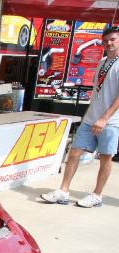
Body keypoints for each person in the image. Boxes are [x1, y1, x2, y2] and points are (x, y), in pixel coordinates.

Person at [42, 26, 119, 208]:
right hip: (90, 118)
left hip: (110, 122)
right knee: (75, 152)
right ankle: (63, 191)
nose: (109, 43)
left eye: (113, 39)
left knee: (105, 158)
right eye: (106, 40)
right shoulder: (102, 62)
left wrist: (104, 118)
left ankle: (97, 195)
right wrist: (91, 115)